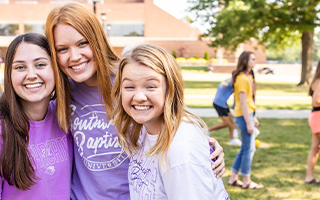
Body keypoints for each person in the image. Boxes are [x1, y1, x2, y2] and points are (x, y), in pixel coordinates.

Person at [45, 2, 225, 199]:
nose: (75, 56)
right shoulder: (61, 93)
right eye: (62, 49)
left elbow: (176, 120)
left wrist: (207, 146)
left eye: (82, 43)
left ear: (96, 39)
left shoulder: (130, 80)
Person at [112, 44, 229, 199]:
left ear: (171, 88)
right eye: (129, 86)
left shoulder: (181, 150)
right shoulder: (142, 129)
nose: (139, 96)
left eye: (151, 86)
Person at [0, 33, 73, 199]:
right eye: (20, 67)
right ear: (9, 75)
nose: (31, 74)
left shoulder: (65, 116)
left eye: (40, 64)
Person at [227, 51, 264, 189]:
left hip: (247, 114)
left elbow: (249, 100)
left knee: (245, 148)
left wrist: (253, 117)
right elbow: (242, 103)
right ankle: (246, 180)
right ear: (245, 61)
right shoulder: (242, 78)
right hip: (243, 116)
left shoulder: (248, 77)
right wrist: (249, 122)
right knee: (249, 149)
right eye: (252, 59)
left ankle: (232, 178)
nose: (255, 61)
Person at [209, 77, 241, 146]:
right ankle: (208, 130)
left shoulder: (229, 80)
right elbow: (237, 95)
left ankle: (233, 139)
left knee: (232, 119)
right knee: (227, 123)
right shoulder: (235, 82)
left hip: (221, 102)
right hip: (220, 103)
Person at [305, 60, 320, 184]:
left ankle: (309, 177)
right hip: (318, 115)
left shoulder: (316, 80)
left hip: (315, 116)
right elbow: (316, 100)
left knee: (315, 148)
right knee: (315, 148)